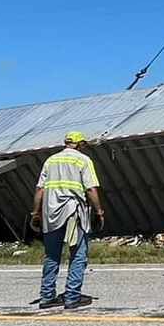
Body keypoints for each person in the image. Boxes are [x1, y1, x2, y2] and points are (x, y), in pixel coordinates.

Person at [30, 130, 103, 310]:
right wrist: (99, 211)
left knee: (52, 256)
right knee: (78, 255)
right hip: (74, 214)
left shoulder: (51, 160)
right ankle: (72, 297)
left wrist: (36, 213)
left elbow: (39, 190)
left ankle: (46, 297)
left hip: (51, 215)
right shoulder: (83, 160)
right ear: (80, 144)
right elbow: (91, 189)